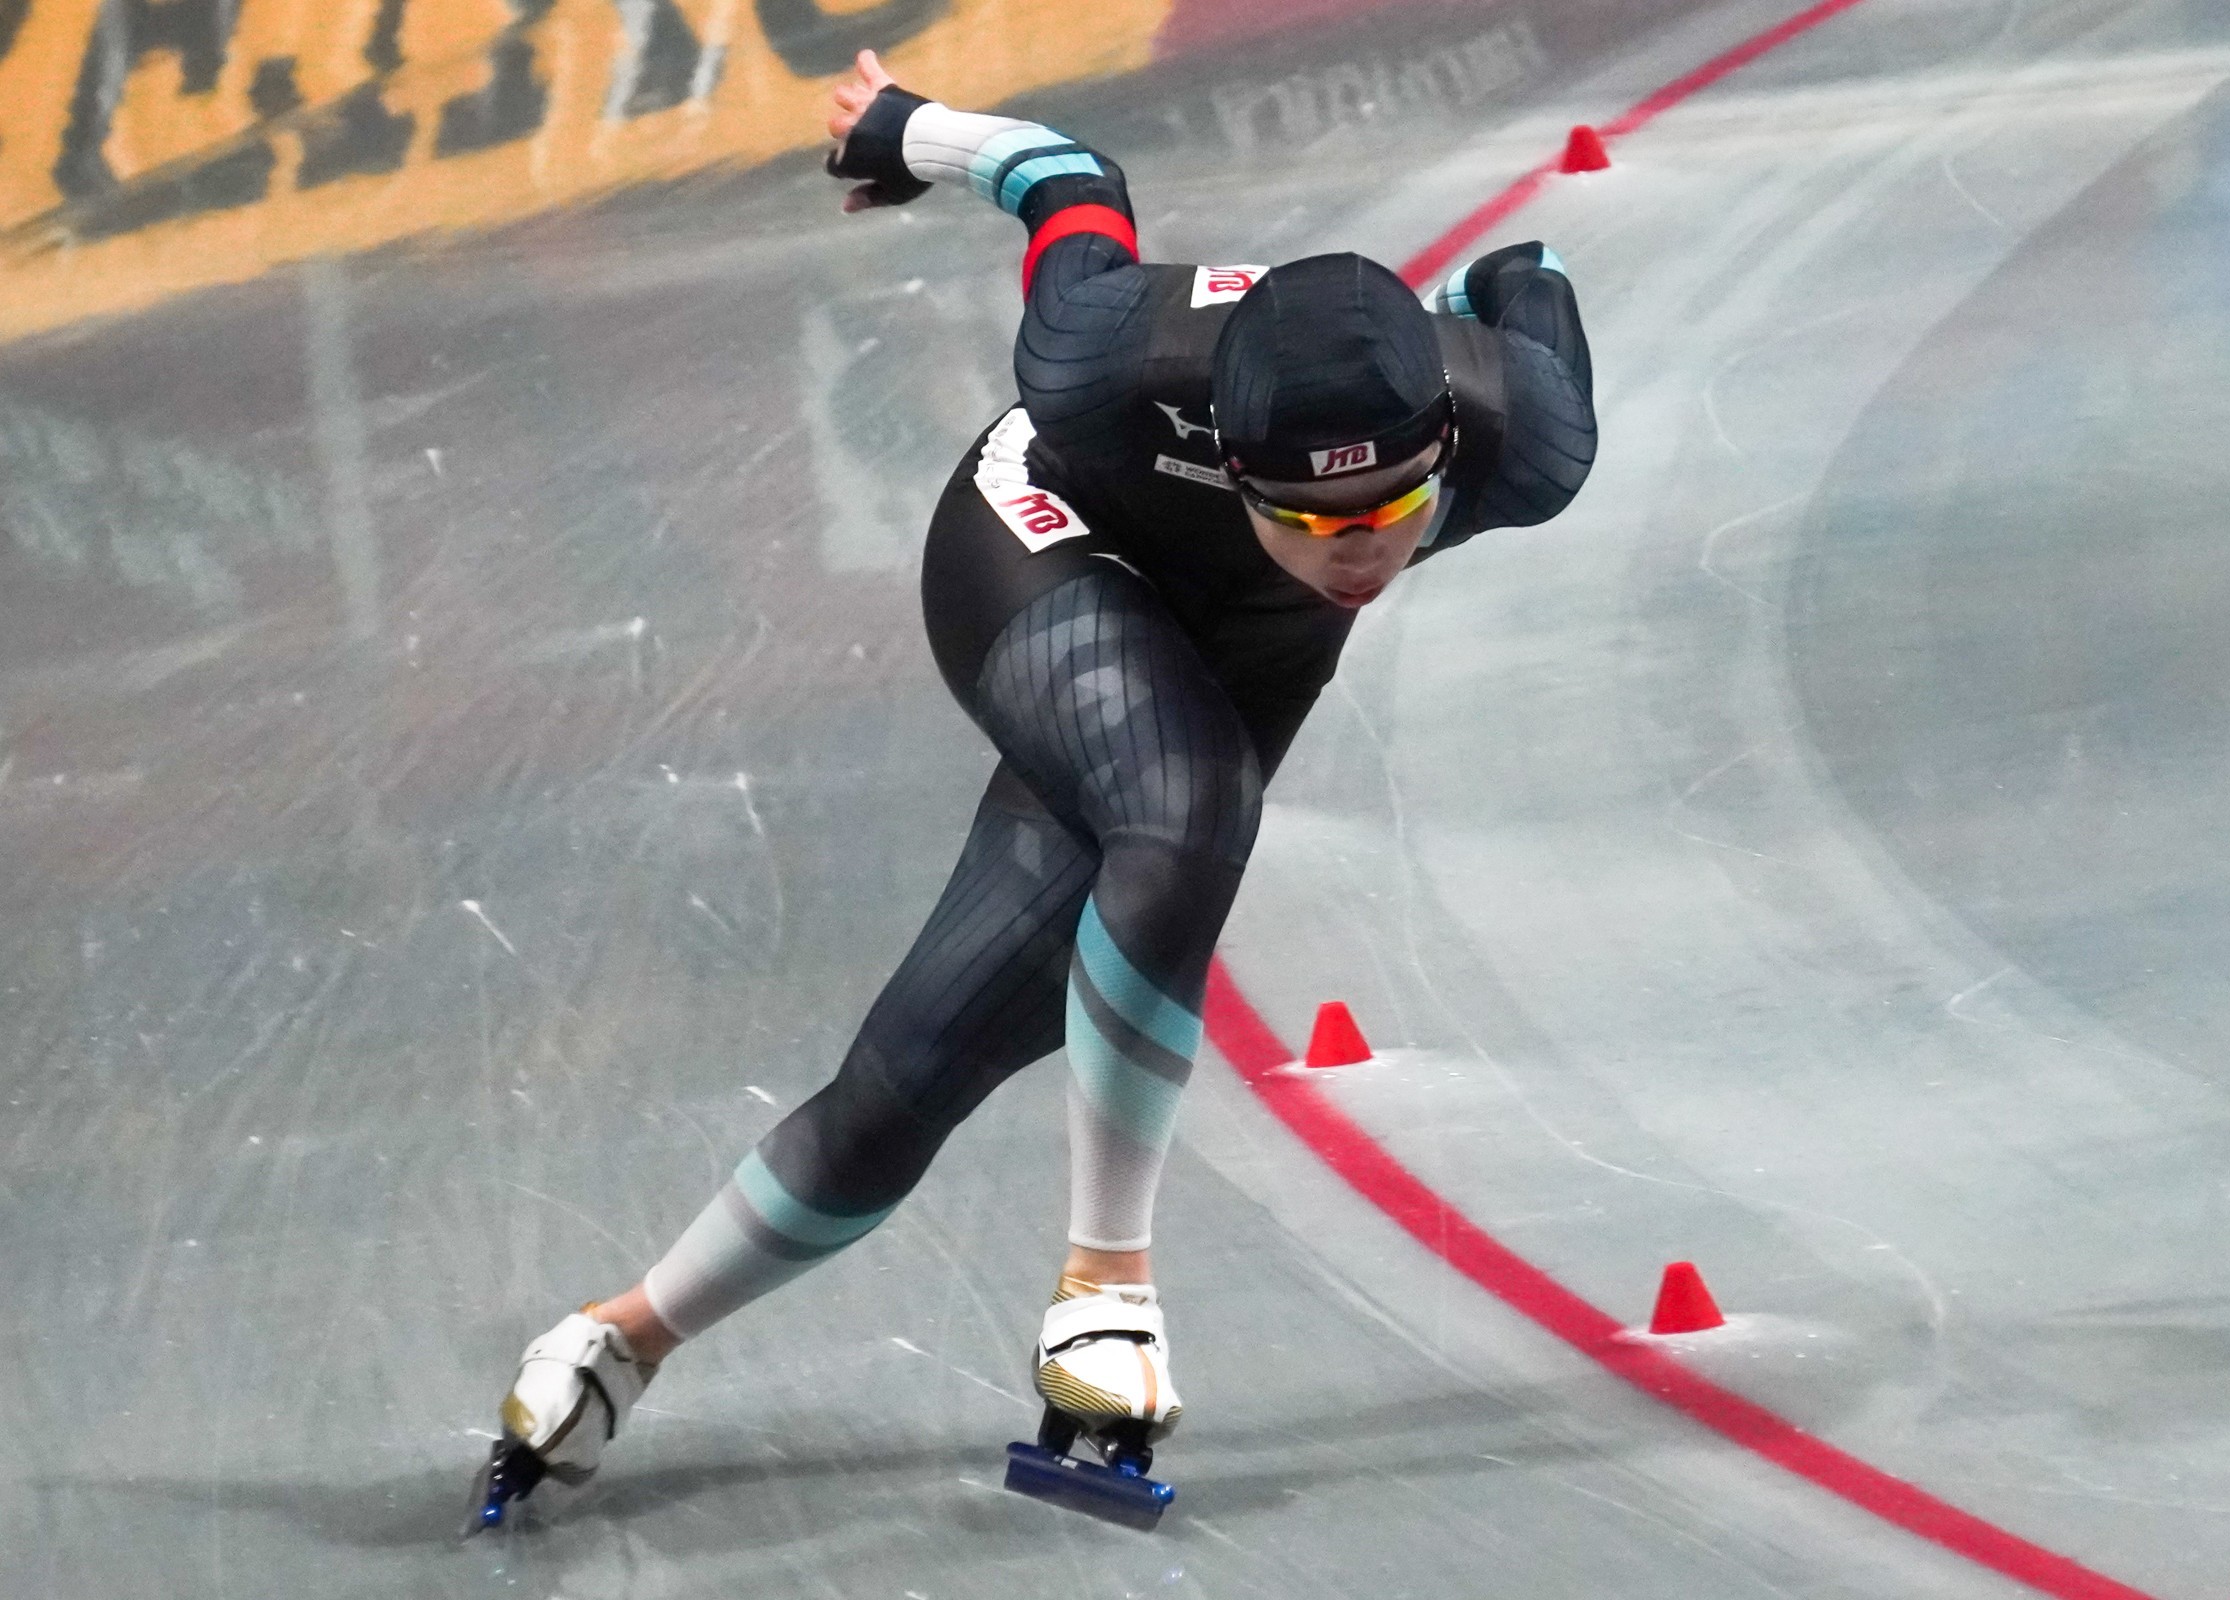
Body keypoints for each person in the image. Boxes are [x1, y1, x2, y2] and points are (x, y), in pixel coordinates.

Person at [475, 47, 1595, 1522]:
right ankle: (1107, 1290)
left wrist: (1502, 286)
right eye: (1310, 518)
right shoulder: (1105, 359)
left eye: (1393, 508)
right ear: (1230, 462)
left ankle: (618, 1339)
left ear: (1444, 444)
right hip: (1042, 547)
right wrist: (905, 129)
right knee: (1187, 807)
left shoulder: (1527, 437)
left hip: (1239, 657)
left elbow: (1528, 277)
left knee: (926, 1065)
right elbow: (1068, 179)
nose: (1361, 553)